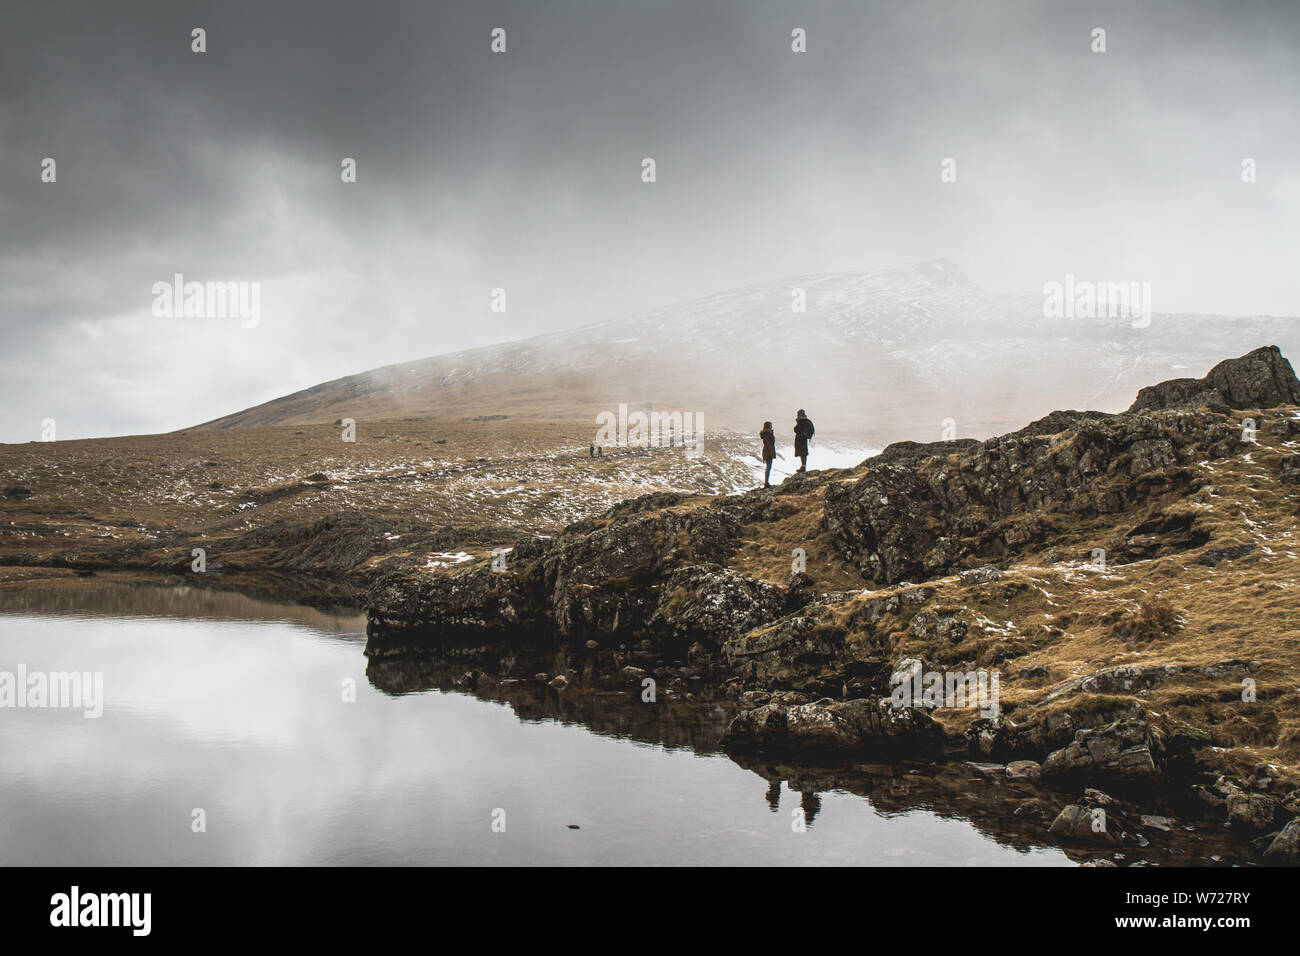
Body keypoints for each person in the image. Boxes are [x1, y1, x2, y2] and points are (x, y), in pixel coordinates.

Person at [759, 421, 776, 487]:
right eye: (771, 425)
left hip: (766, 452)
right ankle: (766, 483)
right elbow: (769, 445)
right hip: (768, 452)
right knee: (768, 467)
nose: (771, 426)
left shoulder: (766, 434)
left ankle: (766, 482)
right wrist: (772, 454)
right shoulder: (767, 434)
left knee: (768, 467)